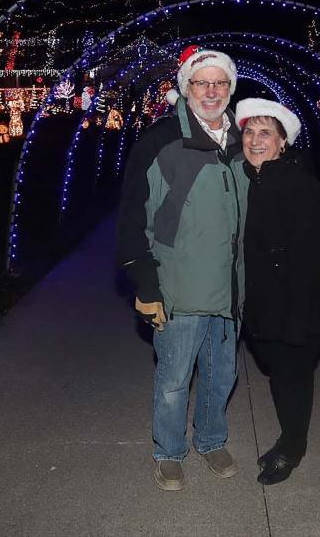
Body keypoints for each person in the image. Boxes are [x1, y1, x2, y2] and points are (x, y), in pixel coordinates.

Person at [116, 45, 249, 491]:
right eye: (202, 82)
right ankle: (169, 452)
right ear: (186, 87)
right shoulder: (160, 140)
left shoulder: (243, 142)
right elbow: (133, 215)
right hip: (178, 283)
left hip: (229, 285)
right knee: (174, 378)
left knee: (221, 372)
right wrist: (144, 280)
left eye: (220, 82)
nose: (211, 91)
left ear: (230, 88)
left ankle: (211, 439)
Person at [233, 98, 320, 485]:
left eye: (265, 133)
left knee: (292, 380)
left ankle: (292, 448)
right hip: (265, 306)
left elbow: (306, 262)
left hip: (298, 308)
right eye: (249, 132)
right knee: (280, 377)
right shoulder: (251, 179)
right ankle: (288, 439)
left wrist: (295, 322)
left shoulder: (300, 187)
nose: (255, 140)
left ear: (282, 142)